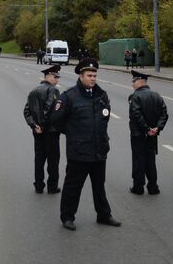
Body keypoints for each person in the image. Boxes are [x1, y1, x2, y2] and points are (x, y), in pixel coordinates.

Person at [51, 58, 120, 231]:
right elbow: (56, 119)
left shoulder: (101, 95)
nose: (93, 78)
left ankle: (103, 215)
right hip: (79, 151)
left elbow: (104, 118)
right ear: (81, 76)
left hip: (99, 149)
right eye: (89, 75)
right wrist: (72, 133)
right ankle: (67, 217)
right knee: (73, 186)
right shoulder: (69, 96)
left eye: (95, 75)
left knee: (99, 186)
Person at [23, 64, 62, 194]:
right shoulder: (53, 90)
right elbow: (50, 110)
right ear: (49, 76)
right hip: (50, 131)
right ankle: (52, 186)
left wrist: (34, 126)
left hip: (37, 132)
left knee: (39, 159)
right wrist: (43, 126)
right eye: (55, 77)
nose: (57, 80)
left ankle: (38, 185)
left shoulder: (34, 90)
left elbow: (26, 111)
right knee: (53, 160)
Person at [128, 70, 168, 195]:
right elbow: (164, 114)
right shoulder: (156, 95)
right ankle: (153, 187)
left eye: (134, 81)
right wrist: (157, 128)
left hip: (138, 134)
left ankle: (138, 187)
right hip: (152, 135)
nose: (132, 84)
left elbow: (136, 114)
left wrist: (146, 129)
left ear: (140, 81)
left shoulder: (135, 96)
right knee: (150, 160)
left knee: (139, 160)